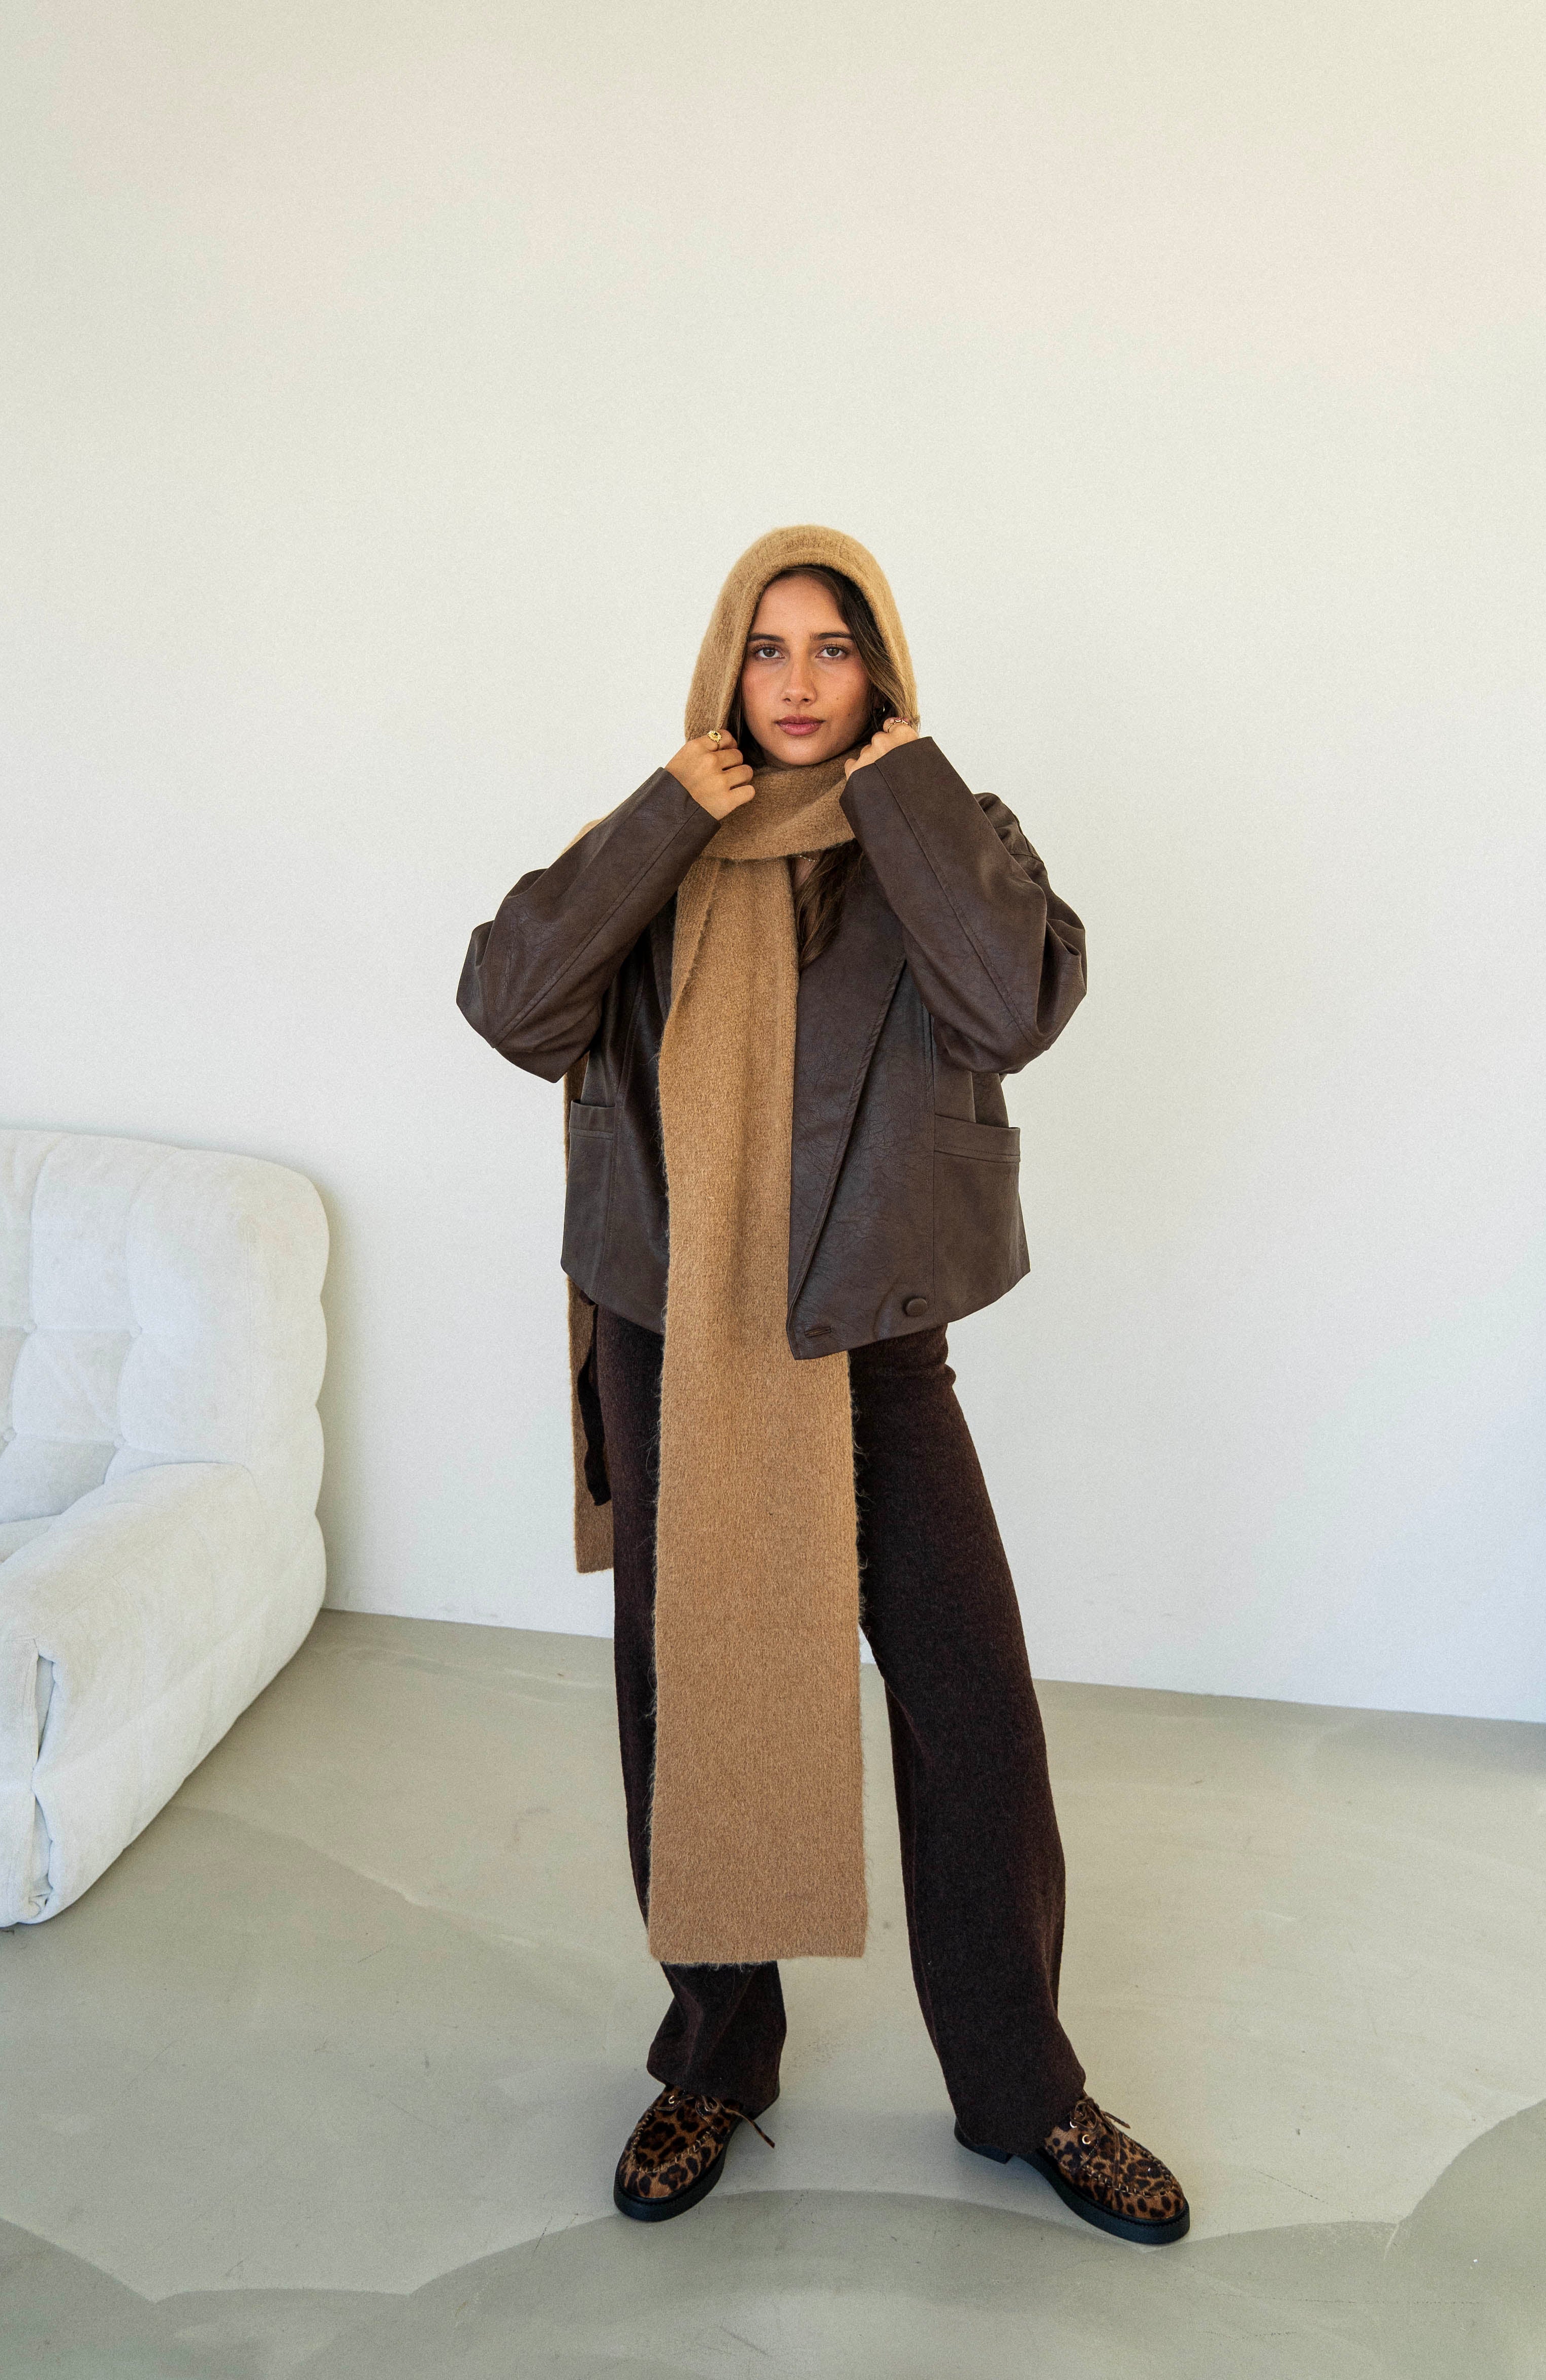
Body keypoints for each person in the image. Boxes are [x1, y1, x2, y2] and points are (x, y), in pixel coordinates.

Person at [458, 525, 1190, 2246]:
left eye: (833, 649)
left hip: (870, 1339)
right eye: (768, 647)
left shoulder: (944, 831)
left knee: (972, 1713)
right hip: (674, 1337)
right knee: (690, 1703)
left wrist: (903, 793)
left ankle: (1025, 2092)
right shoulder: (655, 834)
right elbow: (511, 1005)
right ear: (727, 667)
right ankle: (713, 2063)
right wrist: (662, 816)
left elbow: (1008, 1008)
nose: (797, 682)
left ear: (881, 672)